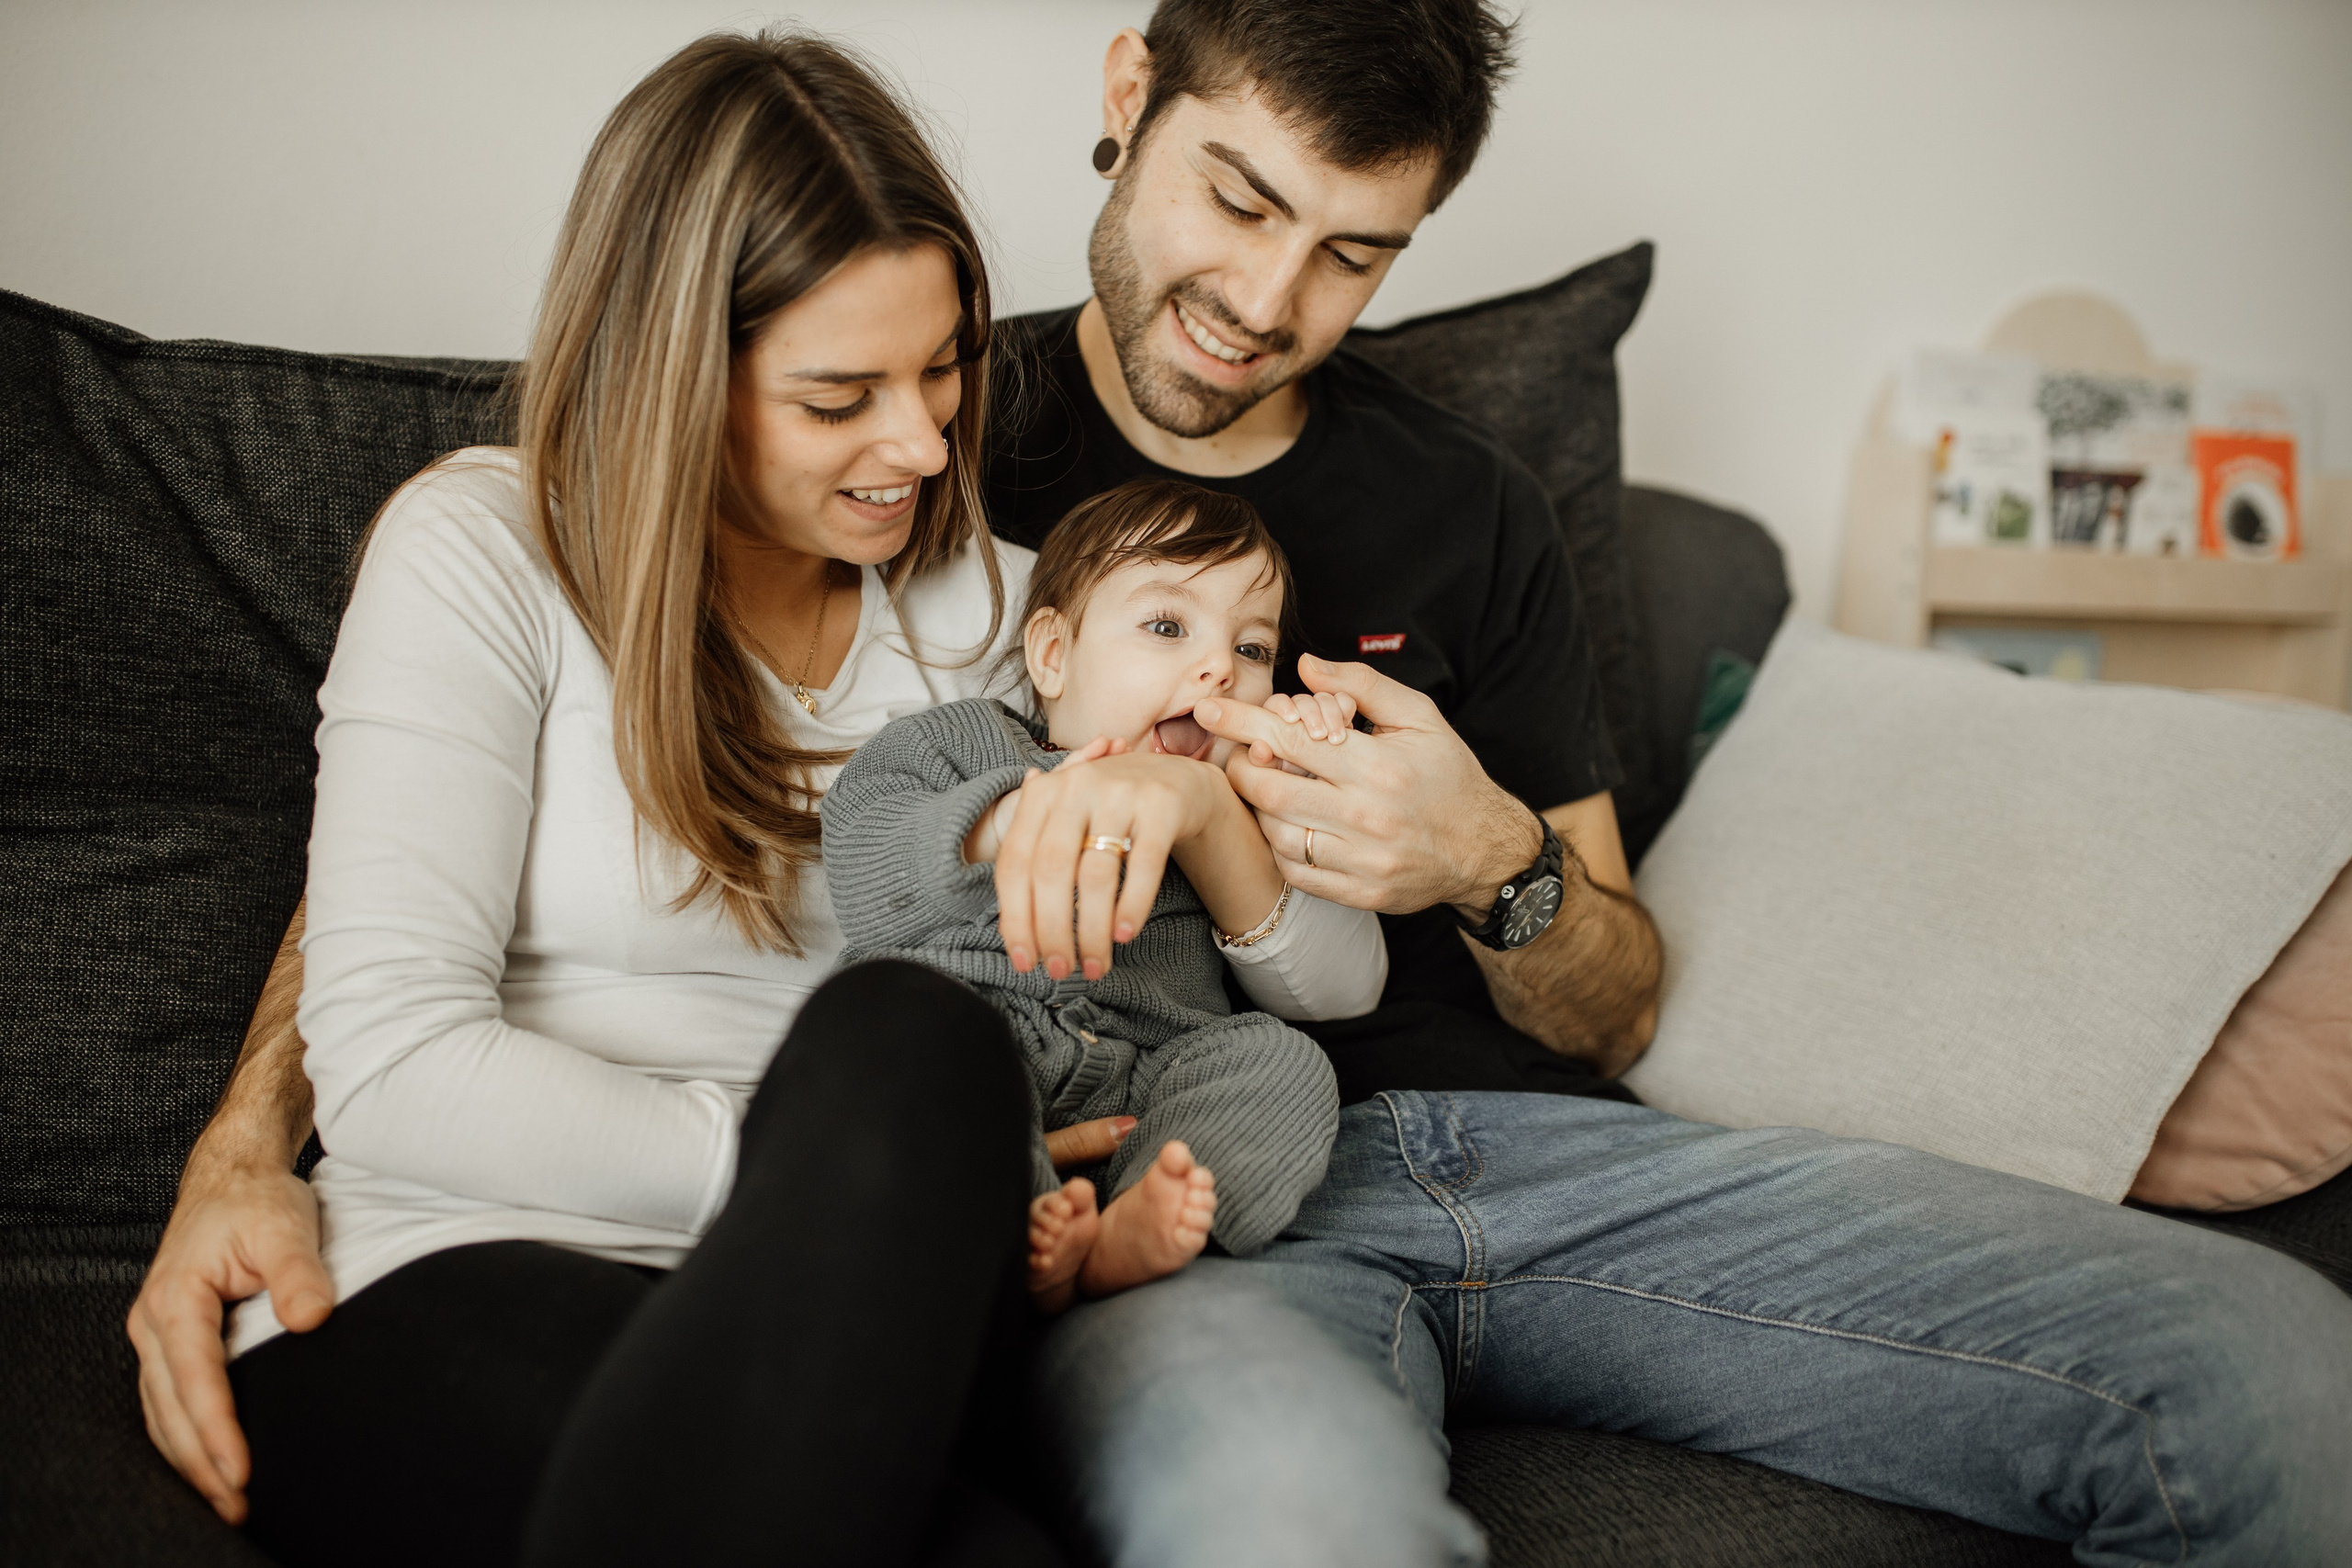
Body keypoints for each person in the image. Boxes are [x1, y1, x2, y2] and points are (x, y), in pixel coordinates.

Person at [134, 3, 2352, 1564]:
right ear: (1127, 96)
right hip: (1142, 1200)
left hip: (1438, 1149)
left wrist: (1483, 858)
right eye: (1237, 197)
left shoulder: (1298, 522)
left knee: (2270, 1369)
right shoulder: (928, 473)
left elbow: (1600, 992)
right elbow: (454, 853)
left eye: (1353, 250)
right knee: (1081, 1281)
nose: (1268, 296)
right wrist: (243, 1136)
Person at [131, 28, 1122, 1568]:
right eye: (840, 396)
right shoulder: (483, 552)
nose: (925, 445)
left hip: (868, 1312)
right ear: (678, 379)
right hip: (450, 1266)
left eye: (944, 367)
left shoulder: (1013, 619)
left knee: (922, 1044)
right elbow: (387, 1056)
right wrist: (803, 1169)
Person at [821, 478, 1376, 1309]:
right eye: (1167, 626)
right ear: (1052, 654)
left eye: (1253, 650)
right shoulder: (960, 741)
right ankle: (1021, 1234)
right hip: (981, 1032)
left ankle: (1138, 1225)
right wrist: (1013, 818)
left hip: (1153, 1066)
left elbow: (1333, 955)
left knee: (1279, 1061)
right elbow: (863, 856)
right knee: (905, 1051)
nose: (1220, 669)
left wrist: (1310, 766)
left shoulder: (1238, 796)